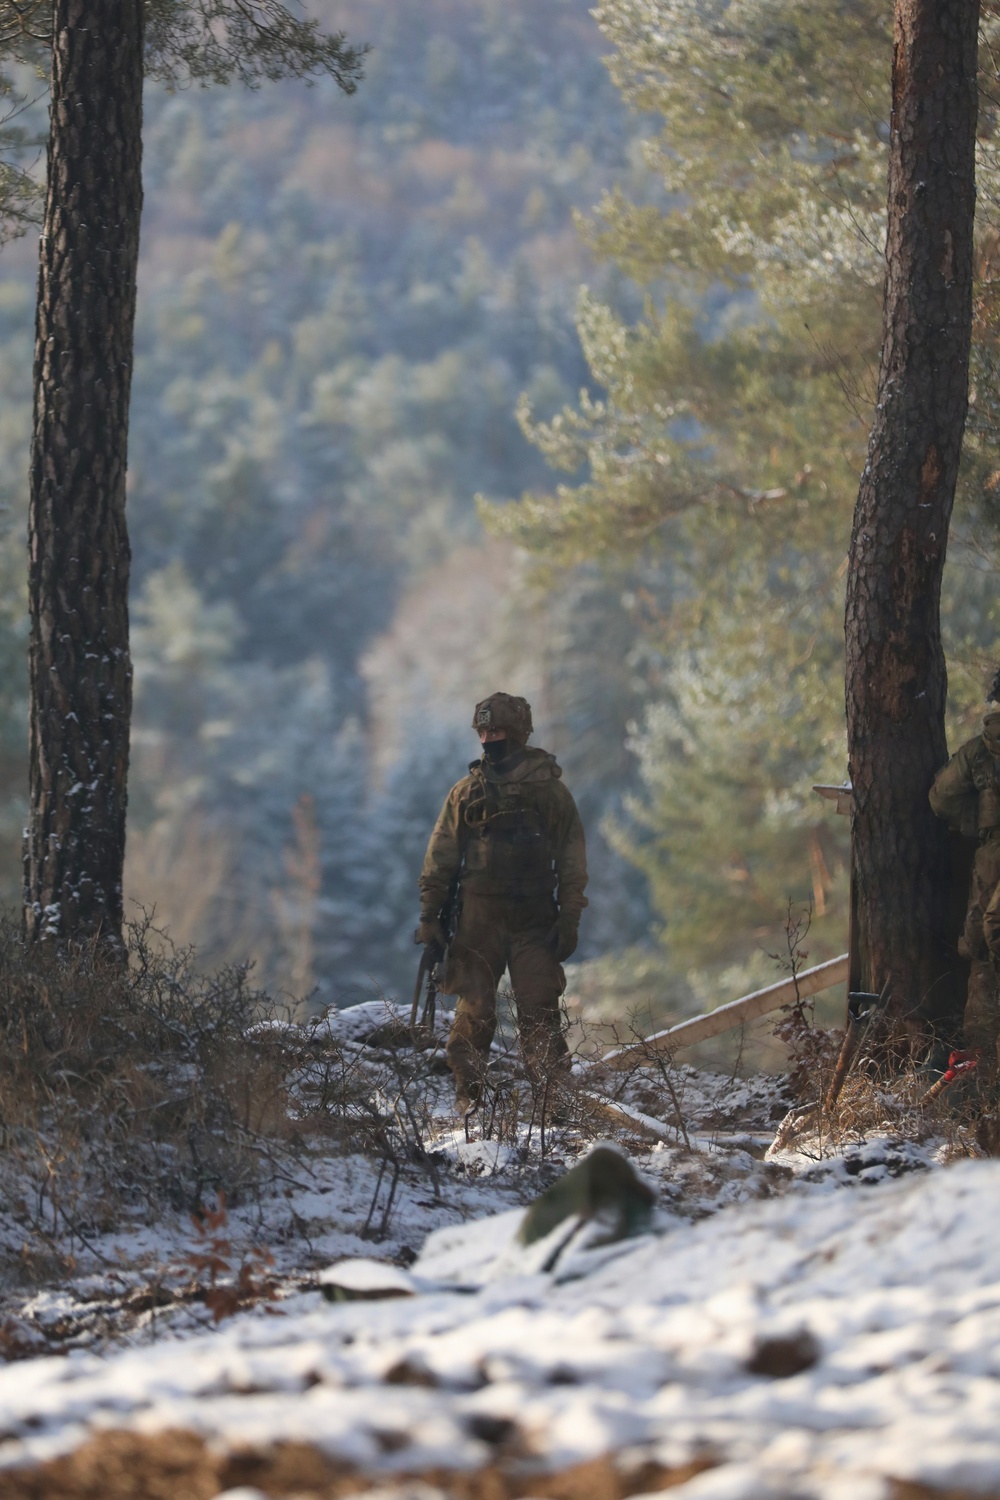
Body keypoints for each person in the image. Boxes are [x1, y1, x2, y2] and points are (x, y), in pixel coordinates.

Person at [417, 692, 588, 1115]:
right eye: (483, 731)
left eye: (497, 731)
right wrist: (431, 915)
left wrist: (569, 919)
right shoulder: (466, 793)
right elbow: (441, 859)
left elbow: (572, 863)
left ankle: (554, 1104)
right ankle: (467, 1099)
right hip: (478, 919)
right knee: (475, 1011)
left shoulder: (551, 793)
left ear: (517, 734)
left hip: (534, 921)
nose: (489, 739)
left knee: (539, 1011)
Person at [929, 697, 1000, 1072]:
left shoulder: (978, 751)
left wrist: (974, 819)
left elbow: (940, 798)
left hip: (992, 856)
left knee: (982, 953)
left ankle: (986, 1064)